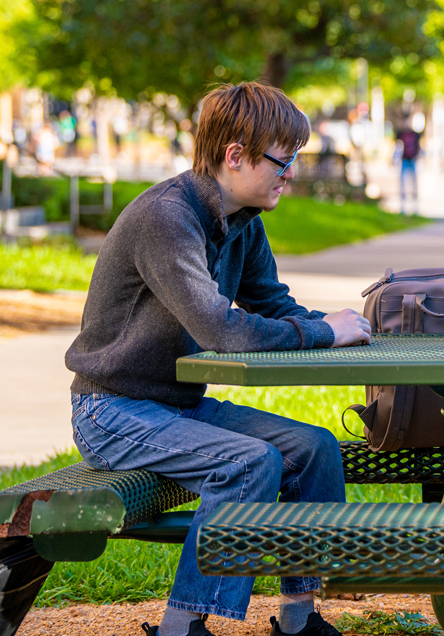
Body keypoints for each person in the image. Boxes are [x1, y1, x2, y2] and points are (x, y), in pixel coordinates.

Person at [66, 82, 372, 636]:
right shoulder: (167, 218)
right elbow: (221, 330)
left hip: (176, 407)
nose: (292, 174)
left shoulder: (243, 220)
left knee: (315, 448)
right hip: (111, 411)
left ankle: (300, 620)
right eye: (285, 160)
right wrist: (322, 332)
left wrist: (341, 327)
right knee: (247, 463)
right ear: (235, 156)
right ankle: (181, 628)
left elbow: (274, 305)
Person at [394, 120, 421, 213]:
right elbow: (397, 146)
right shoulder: (400, 134)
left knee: (414, 182)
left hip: (412, 160)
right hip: (404, 160)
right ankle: (403, 205)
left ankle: (415, 206)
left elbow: (418, 146)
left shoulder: (415, 134)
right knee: (402, 182)